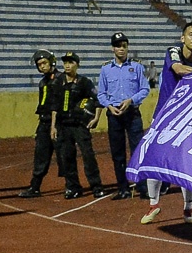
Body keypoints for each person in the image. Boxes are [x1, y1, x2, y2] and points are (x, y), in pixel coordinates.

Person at [140, 22, 192, 225]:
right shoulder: (173, 52)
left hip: (187, 119)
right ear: (183, 38)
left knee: (185, 165)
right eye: (191, 34)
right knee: (154, 159)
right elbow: (178, 69)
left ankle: (188, 210)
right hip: (164, 114)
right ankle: (153, 205)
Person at [98, 33, 151, 200]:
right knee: (118, 153)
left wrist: (131, 100)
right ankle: (123, 188)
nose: (121, 49)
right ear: (112, 48)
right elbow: (101, 94)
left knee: (137, 150)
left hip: (132, 113)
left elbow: (144, 89)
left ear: (127, 47)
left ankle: (143, 187)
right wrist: (109, 106)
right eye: (117, 46)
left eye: (124, 46)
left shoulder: (136, 67)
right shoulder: (106, 69)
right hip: (114, 115)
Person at [54, 52, 107, 198]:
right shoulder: (58, 82)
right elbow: (54, 106)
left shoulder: (84, 82)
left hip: (79, 125)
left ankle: (96, 186)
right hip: (63, 125)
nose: (67, 65)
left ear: (77, 65)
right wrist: (53, 126)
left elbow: (97, 100)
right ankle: (72, 187)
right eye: (65, 62)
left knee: (88, 155)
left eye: (71, 62)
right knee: (67, 157)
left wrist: (96, 118)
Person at [20, 51, 64, 198]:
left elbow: (57, 105)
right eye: (39, 65)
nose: (42, 66)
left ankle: (72, 185)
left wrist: (54, 125)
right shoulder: (43, 82)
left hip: (58, 123)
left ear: (51, 62)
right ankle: (35, 186)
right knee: (40, 155)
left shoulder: (60, 79)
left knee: (63, 155)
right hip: (44, 122)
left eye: (44, 63)